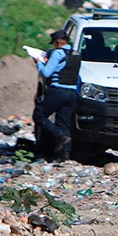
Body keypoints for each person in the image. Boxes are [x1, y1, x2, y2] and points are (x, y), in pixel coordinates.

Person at [33, 30, 79, 161]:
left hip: (58, 91)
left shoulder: (58, 53)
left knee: (39, 115)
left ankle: (59, 136)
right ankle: (64, 156)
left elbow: (46, 73)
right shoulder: (76, 54)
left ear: (58, 42)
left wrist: (38, 62)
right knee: (64, 123)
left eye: (54, 44)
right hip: (72, 94)